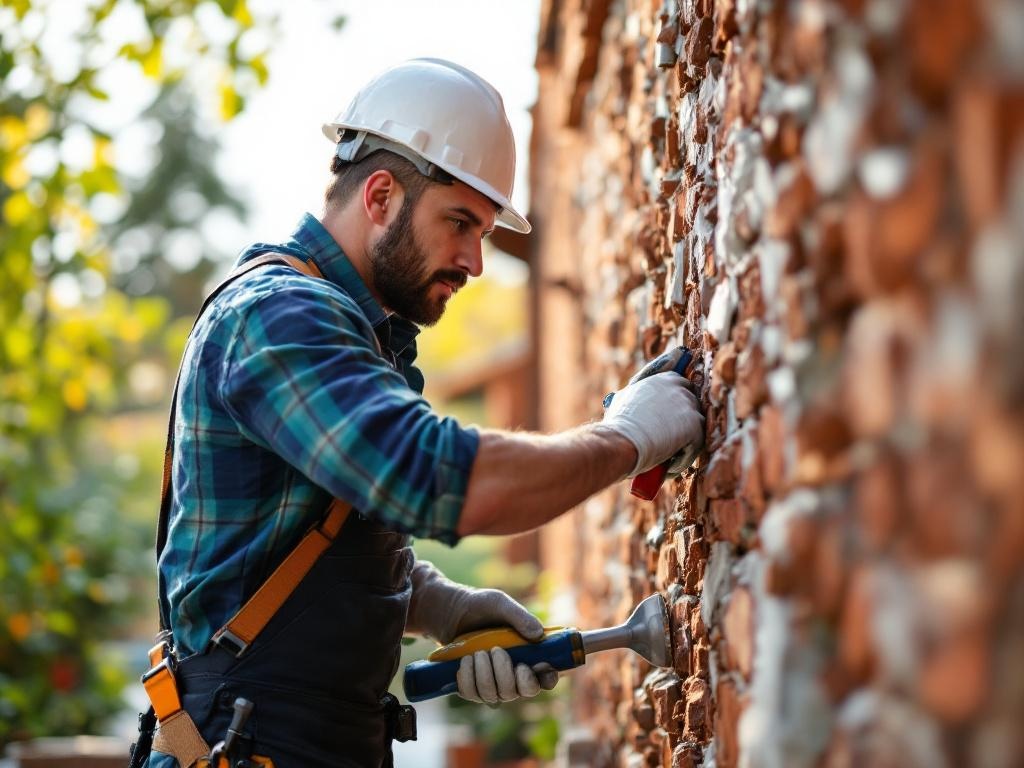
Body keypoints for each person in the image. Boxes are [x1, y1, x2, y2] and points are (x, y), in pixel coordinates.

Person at [136, 58, 705, 768]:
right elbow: (443, 477)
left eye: (485, 231)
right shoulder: (280, 318)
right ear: (379, 197)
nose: (475, 261)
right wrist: (630, 435)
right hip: (241, 742)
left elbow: (289, 546)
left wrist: (438, 606)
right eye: (459, 222)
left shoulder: (353, 330)